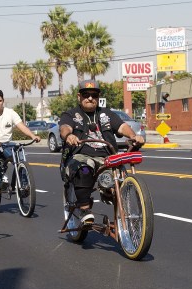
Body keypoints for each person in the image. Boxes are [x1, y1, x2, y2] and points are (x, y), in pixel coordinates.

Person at [59, 80, 144, 224]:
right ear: (79, 96)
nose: (90, 98)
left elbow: (122, 127)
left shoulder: (107, 114)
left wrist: (133, 136)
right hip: (83, 155)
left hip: (107, 156)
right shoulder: (71, 114)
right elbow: (65, 127)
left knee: (119, 174)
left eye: (94, 95)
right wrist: (69, 136)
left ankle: (111, 194)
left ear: (98, 97)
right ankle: (84, 209)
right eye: (86, 95)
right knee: (83, 169)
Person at [0, 89, 41, 194]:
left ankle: (24, 184)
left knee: (20, 156)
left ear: (3, 101)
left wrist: (33, 136)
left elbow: (21, 126)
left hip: (7, 144)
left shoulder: (10, 113)